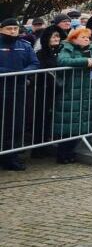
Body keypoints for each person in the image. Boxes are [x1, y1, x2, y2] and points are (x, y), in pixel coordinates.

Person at [54, 27, 92, 163]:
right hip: (70, 91)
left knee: (81, 122)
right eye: (83, 37)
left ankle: (70, 152)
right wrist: (85, 62)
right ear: (74, 39)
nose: (87, 40)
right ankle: (63, 154)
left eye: (88, 37)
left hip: (87, 91)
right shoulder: (66, 48)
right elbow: (63, 61)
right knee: (68, 124)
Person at [0, 18, 39, 170]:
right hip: (2, 87)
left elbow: (34, 63)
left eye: (15, 29)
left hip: (18, 89)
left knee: (15, 123)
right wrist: (10, 73)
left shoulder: (25, 45)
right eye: (9, 28)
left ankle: (11, 157)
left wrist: (22, 73)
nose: (12, 31)